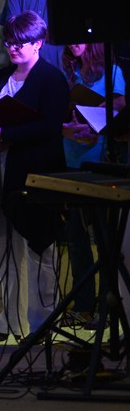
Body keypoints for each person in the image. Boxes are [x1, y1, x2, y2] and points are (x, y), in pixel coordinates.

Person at [0, 11, 68, 342]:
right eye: (10, 41)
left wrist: (10, 132)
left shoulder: (51, 78)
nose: (12, 47)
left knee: (40, 249)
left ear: (39, 43)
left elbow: (51, 126)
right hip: (1, 171)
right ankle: (10, 320)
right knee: (5, 250)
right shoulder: (2, 77)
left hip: (35, 172)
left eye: (20, 42)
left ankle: (42, 323)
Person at [59, 42, 125, 325]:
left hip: (98, 160)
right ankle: (83, 303)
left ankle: (109, 304)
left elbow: (120, 108)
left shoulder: (112, 71)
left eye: (80, 37)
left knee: (105, 237)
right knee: (75, 237)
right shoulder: (66, 70)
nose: (73, 43)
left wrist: (98, 119)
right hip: (70, 157)